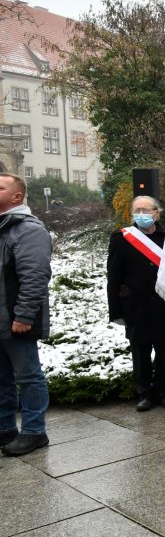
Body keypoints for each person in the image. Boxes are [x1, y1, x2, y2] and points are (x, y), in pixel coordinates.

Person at [106, 195, 165, 413]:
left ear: (157, 213)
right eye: (137, 210)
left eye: (146, 210)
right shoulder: (121, 239)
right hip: (136, 305)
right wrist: (116, 310)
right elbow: (113, 277)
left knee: (163, 350)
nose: (141, 215)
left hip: (164, 304)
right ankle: (144, 393)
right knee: (140, 352)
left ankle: (164, 391)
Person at [0, 174, 52, 457]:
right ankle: (6, 428)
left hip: (16, 319)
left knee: (28, 376)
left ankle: (34, 431)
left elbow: (34, 277)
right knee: (2, 378)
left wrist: (24, 315)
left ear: (16, 196)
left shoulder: (28, 230)